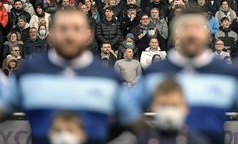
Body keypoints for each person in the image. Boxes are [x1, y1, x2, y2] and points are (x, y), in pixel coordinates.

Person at [0, 9, 143, 143]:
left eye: (76, 29)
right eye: (62, 29)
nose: (69, 35)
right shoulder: (28, 73)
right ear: (51, 34)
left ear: (88, 35)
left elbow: (135, 123)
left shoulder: (108, 77)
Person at [132, 5, 238, 144]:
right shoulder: (154, 72)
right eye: (185, 28)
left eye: (197, 28)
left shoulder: (229, 73)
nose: (191, 34)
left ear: (207, 33)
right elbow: (127, 110)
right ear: (176, 33)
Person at [137, 78, 210, 143]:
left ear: (186, 108)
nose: (169, 111)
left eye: (174, 105)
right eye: (163, 105)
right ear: (152, 107)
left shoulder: (197, 141)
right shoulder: (142, 139)